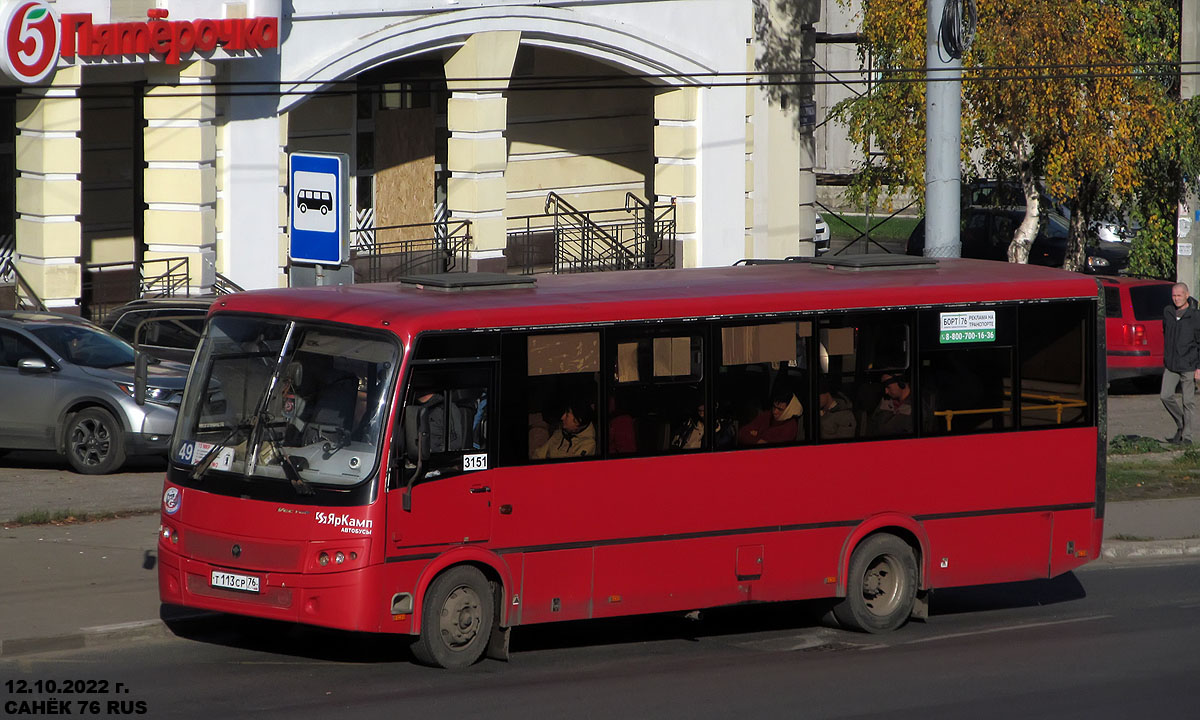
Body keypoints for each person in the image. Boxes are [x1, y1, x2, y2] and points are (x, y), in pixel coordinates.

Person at [1161, 282, 1200, 445]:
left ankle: (1188, 437)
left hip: (1189, 364)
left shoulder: (1195, 316)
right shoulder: (1168, 312)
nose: (1176, 299)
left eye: (1179, 295)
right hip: (1171, 363)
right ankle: (1182, 423)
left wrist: (1199, 367)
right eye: (1174, 296)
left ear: (1186, 295)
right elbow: (1166, 332)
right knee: (1165, 396)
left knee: (1188, 401)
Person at [531, 398, 596, 459]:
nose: (562, 417)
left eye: (567, 415)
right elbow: (538, 455)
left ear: (577, 422)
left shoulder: (587, 445)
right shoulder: (559, 433)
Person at [737, 388, 802, 446]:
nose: (775, 411)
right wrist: (760, 440)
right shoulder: (767, 415)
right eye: (774, 406)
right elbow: (742, 433)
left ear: (788, 410)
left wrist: (756, 435)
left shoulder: (790, 427)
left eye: (780, 409)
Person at [868, 372, 913, 436]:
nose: (886, 391)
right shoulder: (885, 401)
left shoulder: (917, 405)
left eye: (888, 387)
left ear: (901, 384)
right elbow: (873, 424)